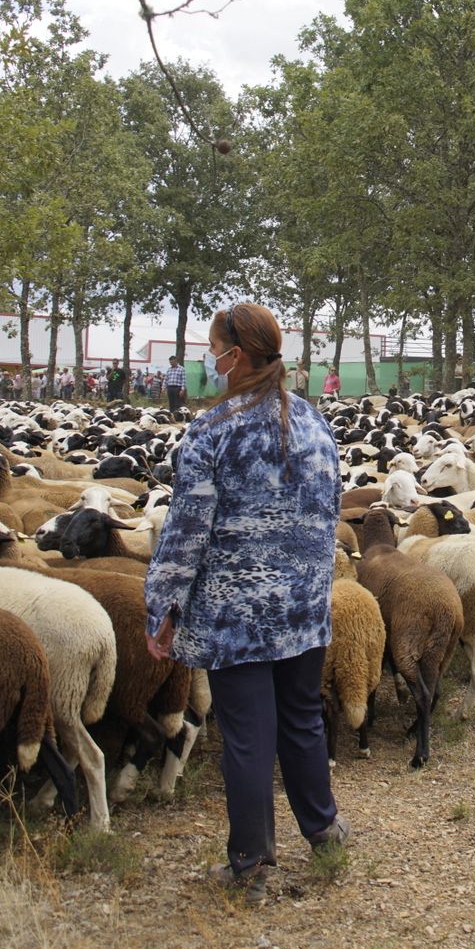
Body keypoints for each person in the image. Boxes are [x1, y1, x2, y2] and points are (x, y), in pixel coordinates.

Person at [145, 301, 348, 903]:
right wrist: (310, 588)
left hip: (237, 618)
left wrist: (162, 605)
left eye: (214, 350)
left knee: (249, 738)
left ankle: (252, 865)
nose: (211, 361)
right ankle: (325, 831)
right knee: (303, 720)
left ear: (233, 356)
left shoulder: (212, 432)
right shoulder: (313, 422)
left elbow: (186, 530)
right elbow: (327, 516)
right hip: (302, 608)